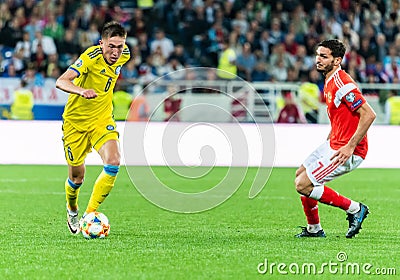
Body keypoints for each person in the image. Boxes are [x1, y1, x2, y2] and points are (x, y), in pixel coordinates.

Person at [294, 39, 376, 239]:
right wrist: (332, 136)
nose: (318, 60)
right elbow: (343, 116)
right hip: (334, 143)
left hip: (349, 150)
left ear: (337, 60)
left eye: (324, 56)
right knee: (301, 174)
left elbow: (369, 114)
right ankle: (314, 229)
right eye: (317, 55)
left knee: (303, 184)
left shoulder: (342, 83)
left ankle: (355, 209)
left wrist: (349, 146)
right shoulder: (329, 79)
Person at [55, 21, 130, 235]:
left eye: (120, 46)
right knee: (77, 177)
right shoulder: (91, 57)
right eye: (111, 46)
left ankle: (89, 214)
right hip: (75, 124)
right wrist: (81, 91)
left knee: (114, 161)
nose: (116, 52)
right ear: (101, 43)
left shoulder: (125, 55)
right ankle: (72, 209)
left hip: (101, 119)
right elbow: (61, 81)